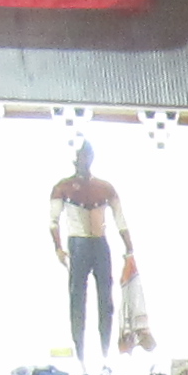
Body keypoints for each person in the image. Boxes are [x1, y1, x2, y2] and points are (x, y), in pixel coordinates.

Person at [48, 142, 123, 358]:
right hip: (78, 243)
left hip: (99, 242)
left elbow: (120, 218)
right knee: (77, 298)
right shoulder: (63, 187)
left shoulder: (104, 187)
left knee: (105, 299)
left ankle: (105, 351)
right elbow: (53, 221)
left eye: (88, 156)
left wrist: (129, 249)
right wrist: (58, 248)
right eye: (81, 156)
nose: (84, 161)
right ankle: (79, 351)